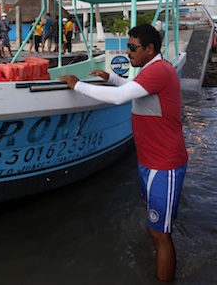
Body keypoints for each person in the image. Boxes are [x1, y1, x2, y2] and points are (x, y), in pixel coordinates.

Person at [58, 24, 187, 282]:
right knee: (156, 229)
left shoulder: (160, 71)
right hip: (150, 162)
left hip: (164, 164)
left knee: (161, 235)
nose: (128, 53)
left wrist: (78, 85)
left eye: (132, 48)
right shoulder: (152, 70)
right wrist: (113, 78)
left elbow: (120, 98)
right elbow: (134, 89)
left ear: (150, 49)